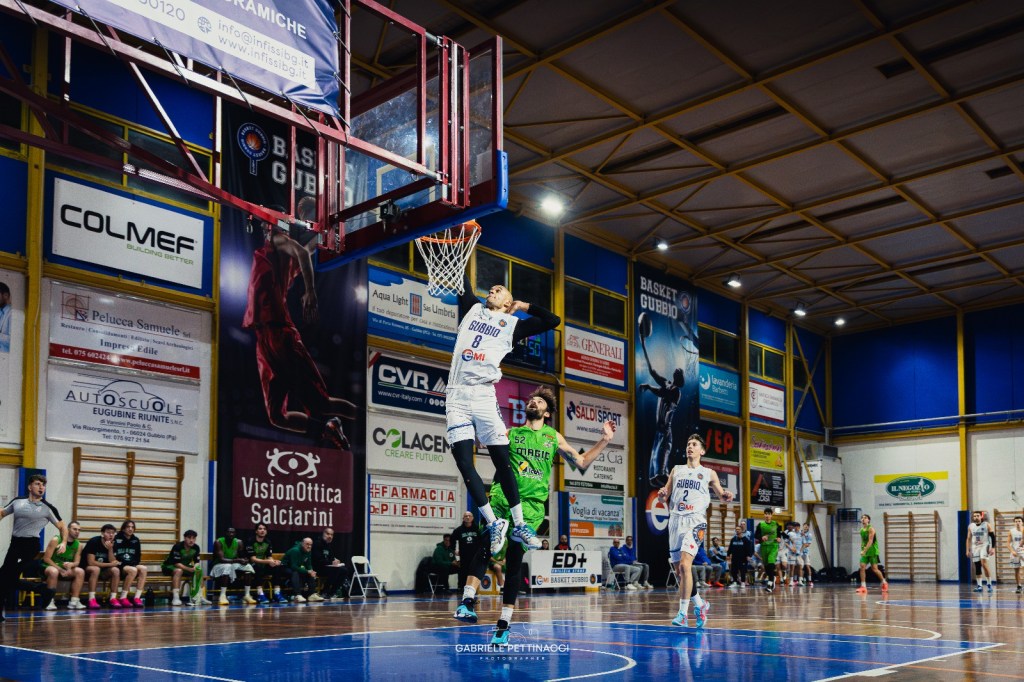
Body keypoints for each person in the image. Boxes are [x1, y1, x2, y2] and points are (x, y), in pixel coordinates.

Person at [453, 386, 615, 646]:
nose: (533, 402)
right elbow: (483, 441)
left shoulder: (553, 437)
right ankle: (467, 601)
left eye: (538, 401)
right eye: (531, 399)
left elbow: (581, 462)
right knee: (485, 544)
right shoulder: (512, 433)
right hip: (502, 496)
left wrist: (605, 440)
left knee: (515, 559)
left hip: (532, 506)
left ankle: (504, 625)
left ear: (547, 413)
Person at [446, 272, 561, 555]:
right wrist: (459, 240)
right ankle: (494, 522)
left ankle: (520, 524)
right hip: (457, 395)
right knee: (463, 462)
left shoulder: (512, 325)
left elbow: (552, 321)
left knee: (502, 461)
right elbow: (461, 281)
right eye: (493, 287)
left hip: (484, 396)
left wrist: (523, 307)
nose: (494, 288)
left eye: (501, 290)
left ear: (508, 301)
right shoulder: (473, 309)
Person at [243, 200, 356, 450]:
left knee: (323, 404)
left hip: (278, 332)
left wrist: (310, 291)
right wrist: (324, 227)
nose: (264, 228)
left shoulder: (278, 241)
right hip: (264, 337)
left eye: (266, 223)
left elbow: (305, 251)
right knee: (276, 417)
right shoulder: (276, 256)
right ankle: (326, 429)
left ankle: (358, 420)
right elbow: (310, 247)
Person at [658, 433, 734, 628]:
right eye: (688, 444)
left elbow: (720, 493)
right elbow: (665, 494)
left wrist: (725, 495)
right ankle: (700, 605)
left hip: (696, 521)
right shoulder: (676, 470)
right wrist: (662, 494)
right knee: (680, 571)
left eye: (694, 444)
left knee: (685, 565)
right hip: (675, 521)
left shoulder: (709, 473)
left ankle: (683, 613)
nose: (689, 447)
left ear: (702, 450)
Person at [0, 473, 67, 620]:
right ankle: (42, 589)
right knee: (5, 577)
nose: (41, 487)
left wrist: (63, 542)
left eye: (43, 485)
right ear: (30, 487)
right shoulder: (18, 502)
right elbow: (2, 512)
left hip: (31, 546)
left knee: (5, 576)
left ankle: (40, 589)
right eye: (38, 484)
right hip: (15, 543)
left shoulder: (48, 508)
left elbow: (63, 527)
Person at [638, 326, 685, 488]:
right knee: (653, 465)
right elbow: (652, 372)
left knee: (662, 461)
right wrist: (643, 344)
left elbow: (662, 395)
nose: (677, 373)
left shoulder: (676, 392)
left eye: (679, 374)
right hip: (659, 430)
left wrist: (650, 387)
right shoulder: (667, 385)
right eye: (677, 372)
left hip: (665, 429)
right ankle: (660, 481)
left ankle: (670, 480)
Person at [42, 520, 85, 610]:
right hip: (50, 566)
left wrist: (71, 564)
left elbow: (77, 562)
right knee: (54, 572)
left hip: (65, 568)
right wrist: (60, 569)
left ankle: (74, 601)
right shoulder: (56, 540)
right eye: (74, 529)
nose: (77, 532)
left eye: (79, 530)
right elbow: (46, 559)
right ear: (68, 530)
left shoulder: (79, 545)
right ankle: (50, 601)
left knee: (80, 571)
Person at [163, 530, 210, 606]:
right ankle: (176, 598)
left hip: (183, 566)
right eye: (189, 538)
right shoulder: (178, 546)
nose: (191, 540)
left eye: (193, 538)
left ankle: (200, 596)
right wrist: (189, 569)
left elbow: (196, 562)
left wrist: (196, 567)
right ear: (185, 538)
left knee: (199, 571)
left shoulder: (196, 547)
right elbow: (176, 563)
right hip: (169, 566)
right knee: (179, 571)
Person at [210, 527, 255, 605]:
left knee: (248, 567)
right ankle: (222, 595)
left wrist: (245, 561)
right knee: (227, 566)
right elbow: (221, 559)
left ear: (235, 534)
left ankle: (247, 595)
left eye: (233, 532)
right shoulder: (218, 542)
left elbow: (241, 557)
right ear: (225, 533)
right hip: (218, 565)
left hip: (232, 564)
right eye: (229, 532)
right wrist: (238, 560)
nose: (231, 534)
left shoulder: (239, 542)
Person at [245, 523, 286, 604]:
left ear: (266, 531)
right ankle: (260, 594)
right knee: (257, 567)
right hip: (250, 565)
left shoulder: (268, 542)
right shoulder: (250, 541)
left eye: (264, 529)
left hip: (263, 563)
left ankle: (277, 593)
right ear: (256, 531)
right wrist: (268, 561)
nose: (262, 530)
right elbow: (253, 559)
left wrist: (273, 562)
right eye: (260, 529)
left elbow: (269, 557)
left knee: (277, 567)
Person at [83, 524, 121, 609]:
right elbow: (91, 562)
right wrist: (110, 564)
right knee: (95, 569)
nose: (111, 535)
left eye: (113, 533)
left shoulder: (114, 544)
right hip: (87, 569)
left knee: (116, 570)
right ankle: (91, 599)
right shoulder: (94, 541)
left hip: (104, 570)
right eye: (108, 532)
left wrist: (110, 549)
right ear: (102, 533)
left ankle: (113, 598)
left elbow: (113, 561)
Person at [112, 520, 148, 607]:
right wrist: (121, 563)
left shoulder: (136, 540)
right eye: (128, 527)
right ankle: (123, 597)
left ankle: (137, 597)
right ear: (123, 528)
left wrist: (134, 563)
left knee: (143, 568)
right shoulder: (116, 538)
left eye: (132, 527)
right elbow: (112, 554)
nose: (130, 529)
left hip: (131, 565)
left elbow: (138, 555)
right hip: (120, 565)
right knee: (133, 570)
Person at [311, 527, 351, 600]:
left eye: (332, 535)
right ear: (323, 534)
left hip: (327, 567)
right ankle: (324, 592)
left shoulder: (328, 545)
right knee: (335, 570)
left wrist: (336, 561)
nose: (330, 536)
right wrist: (331, 562)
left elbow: (331, 558)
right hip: (318, 568)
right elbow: (318, 559)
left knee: (344, 570)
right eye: (328, 534)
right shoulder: (317, 544)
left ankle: (332, 592)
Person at [282, 537, 321, 603]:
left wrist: (311, 571)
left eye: (311, 545)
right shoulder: (295, 550)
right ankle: (298, 595)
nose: (309, 546)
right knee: (295, 572)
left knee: (310, 572)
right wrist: (307, 571)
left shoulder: (308, 551)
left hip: (295, 567)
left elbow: (308, 564)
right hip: (284, 567)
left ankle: (311, 594)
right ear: (302, 544)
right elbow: (293, 566)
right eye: (307, 544)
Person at [856, 514, 888, 593]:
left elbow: (870, 541)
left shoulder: (871, 529)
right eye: (862, 518)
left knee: (875, 569)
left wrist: (864, 551)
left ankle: (884, 582)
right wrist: (862, 549)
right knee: (862, 567)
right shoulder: (861, 530)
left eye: (865, 518)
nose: (863, 519)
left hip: (872, 551)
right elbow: (864, 541)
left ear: (868, 520)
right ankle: (863, 586)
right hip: (865, 552)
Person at [450, 512, 481, 591]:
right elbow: (452, 540)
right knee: (463, 573)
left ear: (472, 518)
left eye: (469, 516)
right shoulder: (459, 530)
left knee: (474, 573)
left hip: (475, 556)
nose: (467, 517)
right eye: (465, 516)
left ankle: (474, 589)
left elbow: (483, 541)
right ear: (463, 518)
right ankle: (461, 588)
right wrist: (454, 551)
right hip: (464, 556)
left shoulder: (477, 529)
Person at [966, 510, 995, 592]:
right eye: (974, 516)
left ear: (981, 516)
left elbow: (993, 537)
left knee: (984, 563)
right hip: (975, 547)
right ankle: (979, 585)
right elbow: (968, 538)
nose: (976, 517)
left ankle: (989, 584)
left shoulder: (986, 524)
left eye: (977, 515)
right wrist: (967, 550)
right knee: (977, 566)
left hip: (984, 545)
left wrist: (993, 548)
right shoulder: (971, 526)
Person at [754, 508, 782, 593]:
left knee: (770, 563)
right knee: (766, 566)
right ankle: (772, 578)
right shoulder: (760, 524)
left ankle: (770, 583)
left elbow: (779, 533)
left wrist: (779, 538)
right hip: (764, 547)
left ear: (771, 515)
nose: (767, 515)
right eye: (766, 514)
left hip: (773, 546)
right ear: (764, 515)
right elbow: (756, 535)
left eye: (769, 514)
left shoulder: (776, 524)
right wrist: (761, 538)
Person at [1007, 516, 1024, 594]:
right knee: (1016, 570)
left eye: (1019, 521)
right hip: (1015, 551)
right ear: (1014, 522)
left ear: (1022, 522)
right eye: (1016, 521)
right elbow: (1007, 544)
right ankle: (1019, 586)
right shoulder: (1011, 531)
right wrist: (1012, 551)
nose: (1017, 523)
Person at [785, 522, 803, 587]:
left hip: (799, 553)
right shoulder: (790, 533)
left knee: (800, 567)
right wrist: (791, 548)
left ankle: (800, 581)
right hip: (791, 553)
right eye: (794, 526)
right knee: (792, 568)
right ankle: (791, 581)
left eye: (797, 526)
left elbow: (804, 543)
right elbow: (786, 543)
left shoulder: (801, 534)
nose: (795, 528)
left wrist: (801, 551)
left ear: (799, 527)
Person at [0, 281, 11, 353]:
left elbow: (14, 341)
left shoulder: (12, 314)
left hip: (6, 359)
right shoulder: (1, 311)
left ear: (6, 296)